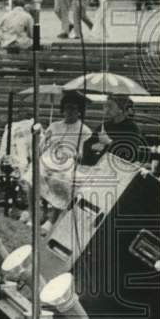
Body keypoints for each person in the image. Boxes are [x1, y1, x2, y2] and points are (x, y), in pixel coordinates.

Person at [38, 91, 92, 222]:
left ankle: (53, 218)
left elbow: (83, 155)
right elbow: (41, 147)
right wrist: (46, 141)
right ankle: (41, 212)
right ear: (63, 109)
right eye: (67, 107)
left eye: (74, 108)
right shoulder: (54, 126)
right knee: (34, 174)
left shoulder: (84, 131)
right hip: (49, 160)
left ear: (79, 111)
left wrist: (69, 153)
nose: (70, 111)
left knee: (60, 179)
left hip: (69, 164)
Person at [81, 94, 144, 166]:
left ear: (121, 109)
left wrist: (109, 142)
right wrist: (92, 146)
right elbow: (87, 144)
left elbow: (129, 153)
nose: (106, 109)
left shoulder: (132, 128)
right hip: (100, 166)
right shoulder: (105, 125)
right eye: (105, 106)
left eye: (110, 106)